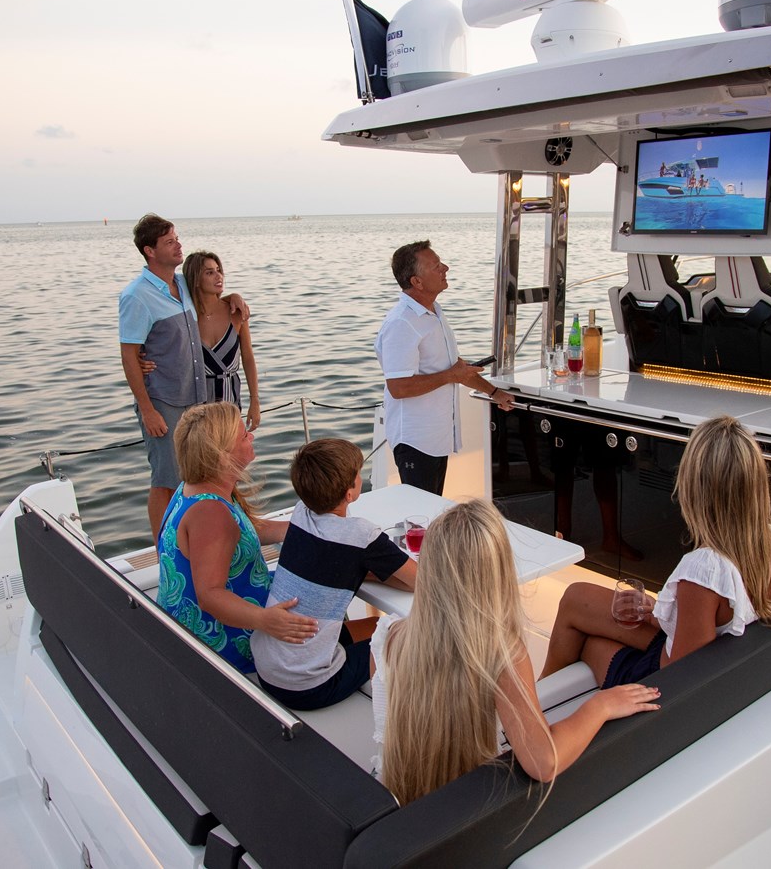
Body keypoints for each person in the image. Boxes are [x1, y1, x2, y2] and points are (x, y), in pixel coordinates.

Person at [369, 499, 659, 805]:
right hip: (469, 806)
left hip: (395, 798)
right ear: (499, 574)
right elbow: (544, 763)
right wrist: (601, 705)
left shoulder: (386, 636)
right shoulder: (501, 655)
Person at [539, 416, 771, 687]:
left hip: (660, 680)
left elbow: (681, 682)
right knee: (576, 596)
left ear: (693, 488)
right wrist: (657, 611)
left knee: (590, 642)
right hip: (719, 658)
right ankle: (540, 695)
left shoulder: (705, 569)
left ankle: (539, 702)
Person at [251, 439, 417, 711]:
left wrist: (361, 570)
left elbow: (338, 562)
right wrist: (370, 570)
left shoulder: (301, 513)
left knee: (376, 626)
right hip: (311, 687)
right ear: (349, 493)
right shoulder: (362, 535)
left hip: (270, 670)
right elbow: (420, 581)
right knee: (409, 635)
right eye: (358, 475)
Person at [156, 402, 318, 675]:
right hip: (219, 645)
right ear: (221, 456)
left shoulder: (193, 489)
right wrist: (266, 620)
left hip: (195, 625)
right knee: (327, 588)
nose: (251, 436)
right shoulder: (210, 513)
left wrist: (304, 530)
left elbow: (240, 531)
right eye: (243, 436)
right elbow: (210, 596)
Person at [375, 241, 514, 495]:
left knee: (433, 510)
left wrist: (494, 393)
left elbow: (455, 370)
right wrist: (452, 374)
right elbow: (399, 387)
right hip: (415, 441)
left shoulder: (434, 313)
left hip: (437, 439)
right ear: (417, 282)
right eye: (436, 266)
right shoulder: (402, 323)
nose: (445, 268)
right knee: (420, 515)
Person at [119, 214, 208, 540]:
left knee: (195, 476)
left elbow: (214, 298)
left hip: (196, 398)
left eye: (177, 238)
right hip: (163, 402)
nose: (178, 245)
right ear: (150, 250)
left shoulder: (183, 284)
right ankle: (164, 551)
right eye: (170, 242)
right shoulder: (136, 296)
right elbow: (129, 355)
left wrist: (235, 299)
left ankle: (189, 538)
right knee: (166, 481)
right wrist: (148, 410)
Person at [184, 251, 262, 431]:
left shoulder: (236, 313)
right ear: (196, 280)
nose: (219, 276)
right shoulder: (186, 317)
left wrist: (255, 401)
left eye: (218, 270)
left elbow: (248, 358)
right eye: (209, 272)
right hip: (196, 407)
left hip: (230, 404)